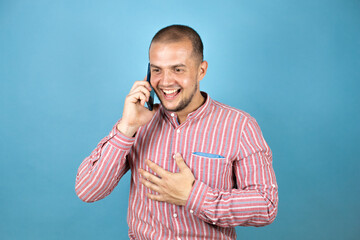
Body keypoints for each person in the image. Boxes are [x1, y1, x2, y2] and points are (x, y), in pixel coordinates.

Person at [75, 24, 278, 240]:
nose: (166, 81)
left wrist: (193, 196)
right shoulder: (137, 122)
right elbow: (89, 190)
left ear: (201, 70)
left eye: (178, 69)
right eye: (157, 70)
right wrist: (127, 128)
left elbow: (266, 205)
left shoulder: (240, 125)